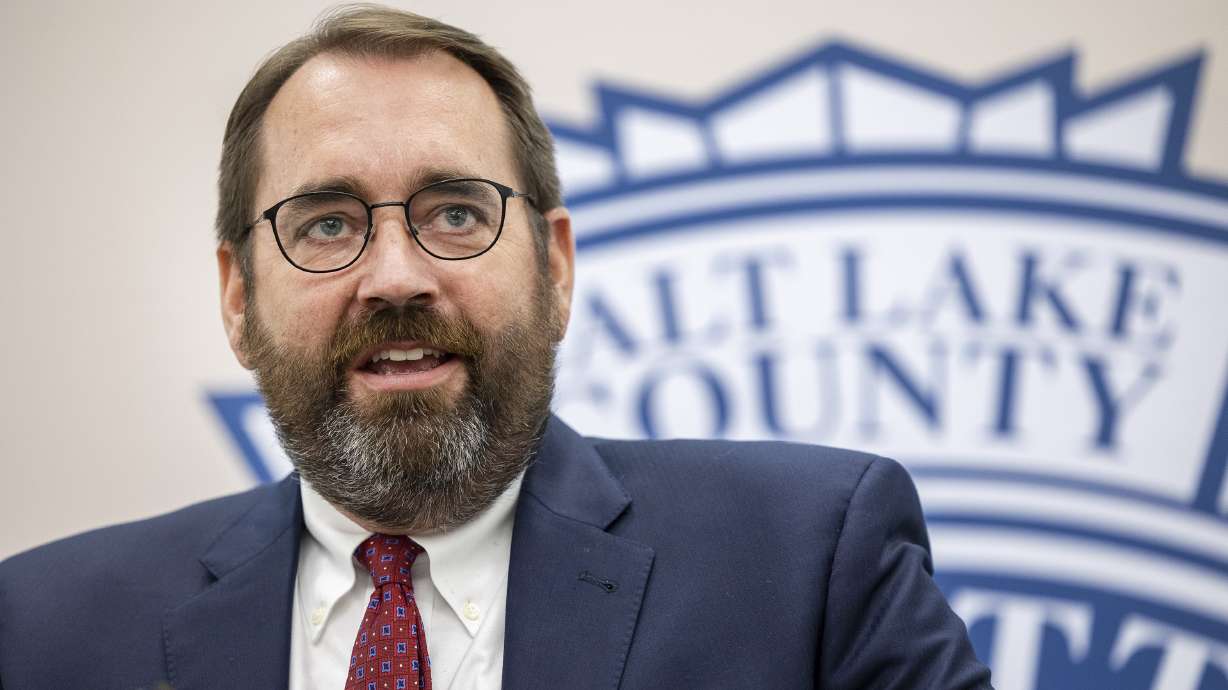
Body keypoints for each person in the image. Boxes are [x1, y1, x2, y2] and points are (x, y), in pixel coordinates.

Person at [0, 6, 991, 689]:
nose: (394, 275)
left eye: (456, 211)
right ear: (236, 295)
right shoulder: (43, 630)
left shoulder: (810, 563)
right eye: (327, 224)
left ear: (555, 267)